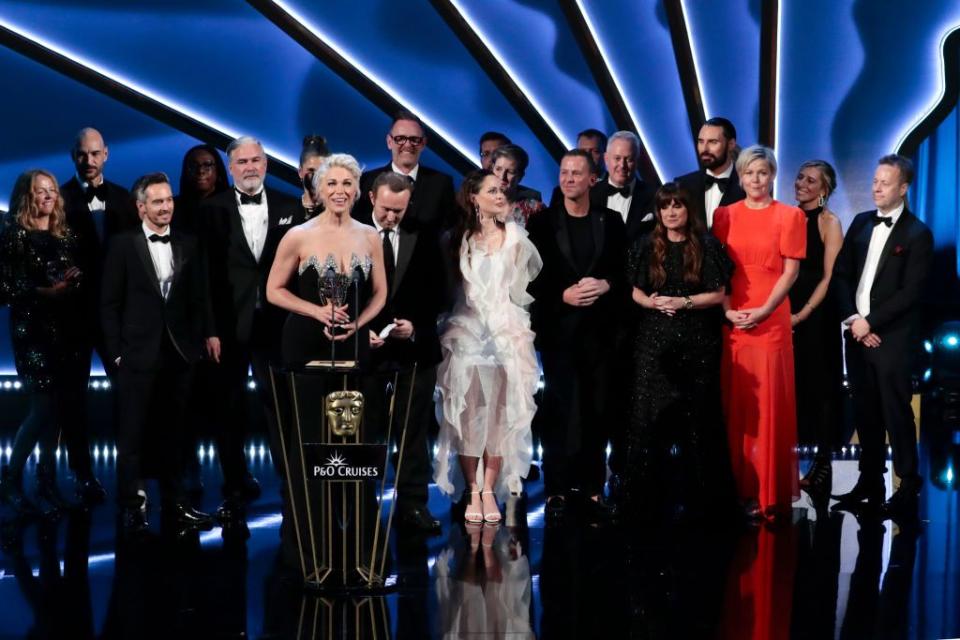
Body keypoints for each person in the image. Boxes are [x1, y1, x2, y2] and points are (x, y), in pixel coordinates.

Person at [100, 172, 215, 533]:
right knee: (132, 436)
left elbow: (201, 296)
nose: (165, 207)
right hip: (136, 354)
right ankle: (132, 506)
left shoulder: (189, 243)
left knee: (176, 434)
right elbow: (108, 304)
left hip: (179, 354)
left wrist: (203, 338)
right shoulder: (122, 245)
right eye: (157, 202)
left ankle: (176, 503)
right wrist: (116, 353)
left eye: (168, 200)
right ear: (141, 207)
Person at [199, 135, 302, 524]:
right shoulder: (211, 209)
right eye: (241, 162)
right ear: (230, 168)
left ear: (267, 163)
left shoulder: (290, 207)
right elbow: (204, 276)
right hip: (228, 325)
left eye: (256, 159)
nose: (250, 167)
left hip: (277, 324)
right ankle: (235, 484)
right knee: (228, 408)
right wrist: (209, 329)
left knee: (280, 407)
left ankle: (290, 483)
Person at [435, 170, 542, 524]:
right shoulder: (456, 240)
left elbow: (520, 292)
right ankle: (472, 488)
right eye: (492, 190)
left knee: (500, 415)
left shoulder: (516, 239)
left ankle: (489, 489)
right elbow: (451, 291)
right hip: (466, 332)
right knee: (466, 414)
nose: (500, 195)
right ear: (474, 197)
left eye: (502, 191)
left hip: (505, 332)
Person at [624, 182, 736, 520]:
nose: (672, 212)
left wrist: (683, 302)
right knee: (648, 418)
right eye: (665, 207)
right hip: (653, 341)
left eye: (678, 206)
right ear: (658, 212)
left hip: (697, 339)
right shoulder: (645, 244)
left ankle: (703, 500)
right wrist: (654, 302)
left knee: (699, 418)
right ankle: (645, 499)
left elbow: (718, 294)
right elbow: (635, 291)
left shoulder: (706, 245)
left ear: (689, 210)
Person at [831, 154, 933, 519]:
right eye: (874, 181)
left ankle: (907, 483)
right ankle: (869, 480)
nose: (876, 187)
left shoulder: (918, 234)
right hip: (857, 334)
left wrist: (871, 323)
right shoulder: (860, 223)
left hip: (891, 338)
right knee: (864, 411)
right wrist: (853, 319)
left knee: (895, 411)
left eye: (884, 182)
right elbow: (841, 276)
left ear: (903, 188)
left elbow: (911, 292)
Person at [528, 150, 625, 522]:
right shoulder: (541, 223)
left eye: (576, 173)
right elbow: (531, 282)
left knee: (598, 410)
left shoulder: (611, 221)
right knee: (559, 411)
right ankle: (556, 489)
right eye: (564, 172)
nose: (568, 179)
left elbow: (624, 272)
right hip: (559, 332)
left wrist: (606, 284)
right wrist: (561, 296)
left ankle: (593, 487)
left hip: (602, 335)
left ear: (592, 180)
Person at [712, 145, 806, 519]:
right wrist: (727, 310)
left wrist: (765, 311)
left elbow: (791, 273)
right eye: (749, 173)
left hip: (771, 320)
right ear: (740, 176)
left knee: (769, 407)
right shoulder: (724, 216)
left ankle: (768, 491)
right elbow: (717, 270)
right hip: (734, 318)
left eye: (763, 172)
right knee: (736, 405)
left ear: (772, 176)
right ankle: (737, 489)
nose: (756, 179)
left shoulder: (790, 216)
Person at [353, 171, 445, 534]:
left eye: (400, 211)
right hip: (366, 350)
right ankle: (363, 506)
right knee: (366, 432)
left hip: (413, 349)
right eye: (388, 209)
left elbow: (439, 289)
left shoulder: (423, 234)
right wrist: (362, 330)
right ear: (373, 198)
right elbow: (340, 290)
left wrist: (416, 328)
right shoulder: (352, 233)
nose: (392, 217)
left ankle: (413, 505)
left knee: (413, 432)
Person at [0, 170, 86, 513]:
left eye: (51, 190)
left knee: (57, 409)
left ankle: (46, 481)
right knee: (42, 407)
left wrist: (72, 280)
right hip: (32, 330)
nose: (48, 196)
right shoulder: (13, 235)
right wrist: (44, 292)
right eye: (40, 191)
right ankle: (9, 479)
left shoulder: (64, 235)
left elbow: (70, 277)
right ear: (27, 196)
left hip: (65, 329)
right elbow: (4, 288)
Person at [59, 127, 138, 502]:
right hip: (72, 316)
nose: (88, 161)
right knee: (74, 398)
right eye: (81, 154)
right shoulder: (56, 200)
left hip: (117, 317)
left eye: (94, 154)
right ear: (73, 156)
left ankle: (131, 472)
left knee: (128, 394)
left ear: (105, 154)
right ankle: (82, 474)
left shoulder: (125, 199)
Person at [267, 153, 387, 368]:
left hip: (354, 340)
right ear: (320, 189)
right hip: (305, 339)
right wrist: (316, 311)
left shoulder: (370, 236)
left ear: (356, 190)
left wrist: (359, 323)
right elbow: (273, 290)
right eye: (332, 183)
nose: (339, 191)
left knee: (352, 401)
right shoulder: (298, 235)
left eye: (347, 183)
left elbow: (380, 292)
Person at [789, 160, 844, 498]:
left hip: (817, 316)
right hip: (784, 311)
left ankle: (822, 463)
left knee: (820, 388)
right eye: (799, 177)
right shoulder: (786, 217)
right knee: (790, 388)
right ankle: (785, 463)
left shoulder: (829, 222)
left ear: (824, 190)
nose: (802, 184)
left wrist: (804, 313)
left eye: (811, 181)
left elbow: (829, 277)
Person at [354, 110, 456, 232]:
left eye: (414, 139)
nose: (407, 145)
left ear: (423, 143)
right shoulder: (366, 181)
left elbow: (449, 233)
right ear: (389, 142)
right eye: (400, 138)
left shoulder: (442, 183)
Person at [674, 117, 746, 229]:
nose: (705, 149)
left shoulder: (747, 186)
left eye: (713, 142)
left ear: (731, 144)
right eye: (701, 141)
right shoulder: (682, 185)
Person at [172, 143, 229, 235]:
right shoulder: (172, 208)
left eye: (207, 165)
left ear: (218, 170)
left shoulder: (234, 207)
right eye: (193, 165)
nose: (200, 171)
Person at [490, 144, 545, 226]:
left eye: (510, 172)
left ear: (520, 176)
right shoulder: (477, 202)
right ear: (492, 169)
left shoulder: (534, 208)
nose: (502, 176)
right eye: (498, 169)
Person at [298, 134, 331, 220]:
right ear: (300, 172)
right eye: (311, 171)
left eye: (321, 171)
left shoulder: (337, 215)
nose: (316, 177)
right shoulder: (283, 210)